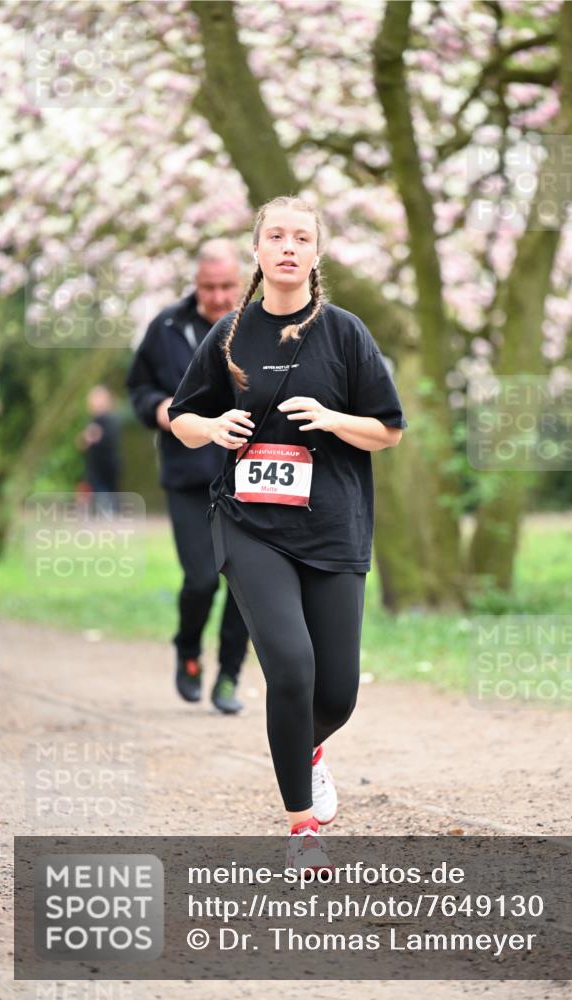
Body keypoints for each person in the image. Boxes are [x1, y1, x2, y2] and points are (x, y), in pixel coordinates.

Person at [169, 196, 406, 869]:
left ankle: (303, 749)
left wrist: (332, 418)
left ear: (316, 252)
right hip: (250, 525)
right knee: (292, 669)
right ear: (257, 249)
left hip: (333, 525)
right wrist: (212, 428)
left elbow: (386, 430)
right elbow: (182, 417)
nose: (288, 247)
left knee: (337, 693)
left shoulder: (345, 334)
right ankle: (302, 828)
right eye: (276, 236)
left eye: (301, 237)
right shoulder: (228, 334)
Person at [126, 241, 250, 714]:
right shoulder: (167, 327)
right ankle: (189, 650)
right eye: (209, 287)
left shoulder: (259, 327)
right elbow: (138, 386)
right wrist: (157, 408)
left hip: (246, 474)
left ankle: (230, 677)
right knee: (201, 579)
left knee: (245, 582)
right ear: (196, 285)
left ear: (240, 282)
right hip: (187, 474)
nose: (218, 296)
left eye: (227, 287)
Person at [77, 385, 121, 514]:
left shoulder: (110, 420)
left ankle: (109, 515)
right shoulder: (92, 420)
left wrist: (91, 437)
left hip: (107, 466)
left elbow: (98, 438)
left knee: (107, 496)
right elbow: (83, 442)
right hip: (94, 467)